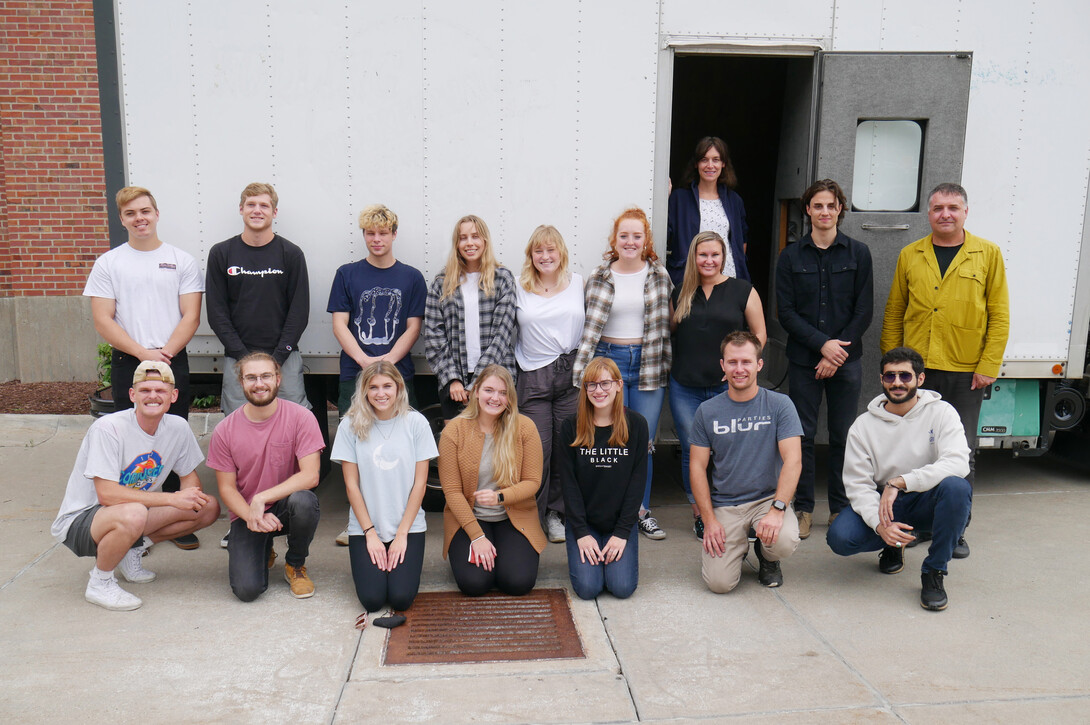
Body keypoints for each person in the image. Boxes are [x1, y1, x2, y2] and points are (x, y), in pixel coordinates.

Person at [880, 182, 1009, 559]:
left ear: (965, 211)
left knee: (960, 451)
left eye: (953, 207)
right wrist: (894, 367)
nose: (945, 214)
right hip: (917, 371)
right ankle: (919, 523)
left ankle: (956, 528)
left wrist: (988, 365)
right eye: (938, 208)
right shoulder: (910, 254)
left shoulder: (988, 254)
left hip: (966, 369)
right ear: (929, 213)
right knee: (915, 450)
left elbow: (999, 314)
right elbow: (894, 312)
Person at [85, 186, 204, 549]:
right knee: (128, 439)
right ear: (122, 219)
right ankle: (129, 513)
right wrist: (142, 353)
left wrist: (164, 353)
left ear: (156, 214)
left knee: (172, 433)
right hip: (129, 361)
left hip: (172, 358)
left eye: (145, 211)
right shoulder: (109, 263)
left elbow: (191, 315)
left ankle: (174, 516)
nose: (140, 218)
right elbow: (103, 320)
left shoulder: (180, 260)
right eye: (132, 213)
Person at [50, 361, 219, 610]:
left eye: (160, 391)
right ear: (132, 395)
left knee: (207, 507)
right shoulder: (108, 429)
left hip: (131, 513)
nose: (153, 396)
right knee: (135, 511)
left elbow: (189, 478)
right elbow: (106, 494)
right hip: (82, 520)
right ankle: (100, 582)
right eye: (145, 390)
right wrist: (172, 499)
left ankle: (130, 550)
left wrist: (189, 497)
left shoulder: (178, 427)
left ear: (173, 396)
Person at [827, 347, 972, 611]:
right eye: (890, 376)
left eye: (905, 376)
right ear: (881, 379)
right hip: (887, 503)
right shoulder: (863, 426)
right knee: (840, 538)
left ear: (920, 379)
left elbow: (958, 462)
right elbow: (858, 485)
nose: (897, 382)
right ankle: (893, 542)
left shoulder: (942, 413)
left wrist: (901, 481)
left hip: (928, 497)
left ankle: (934, 572)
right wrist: (879, 525)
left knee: (957, 488)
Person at [776, 179, 874, 540]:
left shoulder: (858, 253)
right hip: (804, 361)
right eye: (818, 206)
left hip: (846, 362)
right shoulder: (790, 257)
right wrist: (822, 346)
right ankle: (802, 508)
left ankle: (840, 508)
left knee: (844, 436)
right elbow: (785, 311)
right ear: (808, 210)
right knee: (800, 436)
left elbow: (864, 311)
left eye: (831, 206)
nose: (825, 212)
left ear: (840, 210)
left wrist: (837, 352)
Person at [328, 204, 427, 546]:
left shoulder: (411, 277)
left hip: (398, 376)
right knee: (357, 449)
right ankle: (358, 521)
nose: (376, 239)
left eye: (383, 233)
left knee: (399, 450)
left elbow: (414, 326)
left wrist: (386, 363)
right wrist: (364, 361)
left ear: (394, 234)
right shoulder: (348, 274)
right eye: (370, 233)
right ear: (364, 235)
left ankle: (404, 521)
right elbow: (339, 323)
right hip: (354, 375)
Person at [573, 207, 672, 540]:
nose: (630, 242)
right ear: (614, 240)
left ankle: (641, 512)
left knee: (643, 442)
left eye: (637, 236)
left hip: (648, 363)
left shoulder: (660, 275)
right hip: (609, 362)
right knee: (614, 438)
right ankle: (611, 510)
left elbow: (668, 320)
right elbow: (588, 324)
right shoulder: (599, 277)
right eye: (624, 235)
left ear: (646, 241)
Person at [670, 230, 766, 539]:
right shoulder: (680, 293)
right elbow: (671, 331)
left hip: (729, 388)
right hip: (685, 386)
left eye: (715, 254)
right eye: (702, 255)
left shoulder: (743, 290)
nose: (709, 260)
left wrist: (739, 370)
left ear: (724, 257)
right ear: (693, 259)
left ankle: (737, 511)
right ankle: (700, 513)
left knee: (734, 449)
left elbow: (759, 336)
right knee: (692, 452)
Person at [689, 331, 803, 592]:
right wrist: (709, 520)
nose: (739, 369)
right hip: (726, 503)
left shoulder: (780, 405)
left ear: (759, 365)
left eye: (746, 362)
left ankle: (768, 557)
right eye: (732, 362)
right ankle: (736, 547)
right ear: (723, 366)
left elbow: (793, 461)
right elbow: (697, 467)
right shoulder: (707, 411)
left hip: (767, 499)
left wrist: (777, 510)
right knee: (719, 584)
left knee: (784, 539)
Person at [206, 353, 325, 602]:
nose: (259, 383)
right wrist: (252, 513)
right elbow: (226, 489)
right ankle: (264, 547)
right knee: (247, 591)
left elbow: (310, 476)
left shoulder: (301, 418)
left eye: (266, 376)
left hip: (285, 505)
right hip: (247, 512)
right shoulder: (225, 430)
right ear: (241, 382)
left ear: (278, 379)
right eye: (251, 377)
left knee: (304, 501)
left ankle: (295, 564)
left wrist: (262, 498)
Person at [331, 361, 437, 626]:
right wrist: (370, 534)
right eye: (373, 387)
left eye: (387, 386)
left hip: (408, 526)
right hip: (366, 527)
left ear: (399, 387)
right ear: (364, 390)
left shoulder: (416, 423)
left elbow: (420, 485)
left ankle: (398, 553)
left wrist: (402, 535)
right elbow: (351, 486)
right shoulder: (350, 425)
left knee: (401, 598)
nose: (381, 393)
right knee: (373, 600)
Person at [438, 364, 545, 596]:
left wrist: (500, 496)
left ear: (510, 397)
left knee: (518, 582)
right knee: (474, 584)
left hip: (512, 514)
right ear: (476, 391)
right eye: (489, 390)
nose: (495, 398)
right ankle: (474, 552)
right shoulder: (454, 431)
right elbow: (453, 492)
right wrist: (477, 537)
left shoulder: (525, 427)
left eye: (503, 393)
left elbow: (533, 481)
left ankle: (505, 556)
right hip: (469, 516)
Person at [206, 182, 311, 416]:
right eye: (250, 204)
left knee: (293, 422)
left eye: (264, 205)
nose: (257, 210)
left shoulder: (291, 254)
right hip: (237, 359)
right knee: (238, 424)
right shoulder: (221, 253)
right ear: (241, 209)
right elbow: (216, 313)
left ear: (274, 212)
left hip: (285, 358)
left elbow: (299, 312)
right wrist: (244, 359)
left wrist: (278, 358)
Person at [514, 225, 585, 544]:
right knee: (535, 449)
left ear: (562, 253)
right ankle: (530, 513)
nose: (545, 256)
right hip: (533, 375)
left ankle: (556, 513)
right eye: (538, 250)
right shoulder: (518, 286)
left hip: (571, 374)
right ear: (530, 255)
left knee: (565, 446)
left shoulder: (579, 284)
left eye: (551, 250)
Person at [558, 357, 647, 600]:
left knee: (621, 587)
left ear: (619, 385)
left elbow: (637, 484)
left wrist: (621, 533)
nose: (599, 391)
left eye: (605, 384)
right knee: (588, 589)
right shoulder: (571, 427)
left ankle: (614, 554)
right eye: (592, 385)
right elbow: (569, 485)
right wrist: (581, 532)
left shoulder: (636, 425)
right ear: (584, 389)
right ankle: (591, 555)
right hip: (584, 523)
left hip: (619, 523)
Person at [425, 215, 518, 421]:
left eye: (475, 236)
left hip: (496, 380)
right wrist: (453, 380)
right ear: (456, 244)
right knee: (456, 446)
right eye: (463, 238)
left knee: (495, 446)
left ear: (485, 240)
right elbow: (433, 336)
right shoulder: (442, 282)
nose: (469, 243)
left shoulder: (502, 278)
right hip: (455, 383)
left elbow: (502, 336)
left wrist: (478, 382)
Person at [666, 136, 749, 287]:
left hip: (727, 277)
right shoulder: (679, 198)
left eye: (716, 159)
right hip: (690, 279)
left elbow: (742, 241)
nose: (710, 165)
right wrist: (664, 199)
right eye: (704, 159)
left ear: (723, 163)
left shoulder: (734, 201)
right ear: (696, 164)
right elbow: (664, 235)